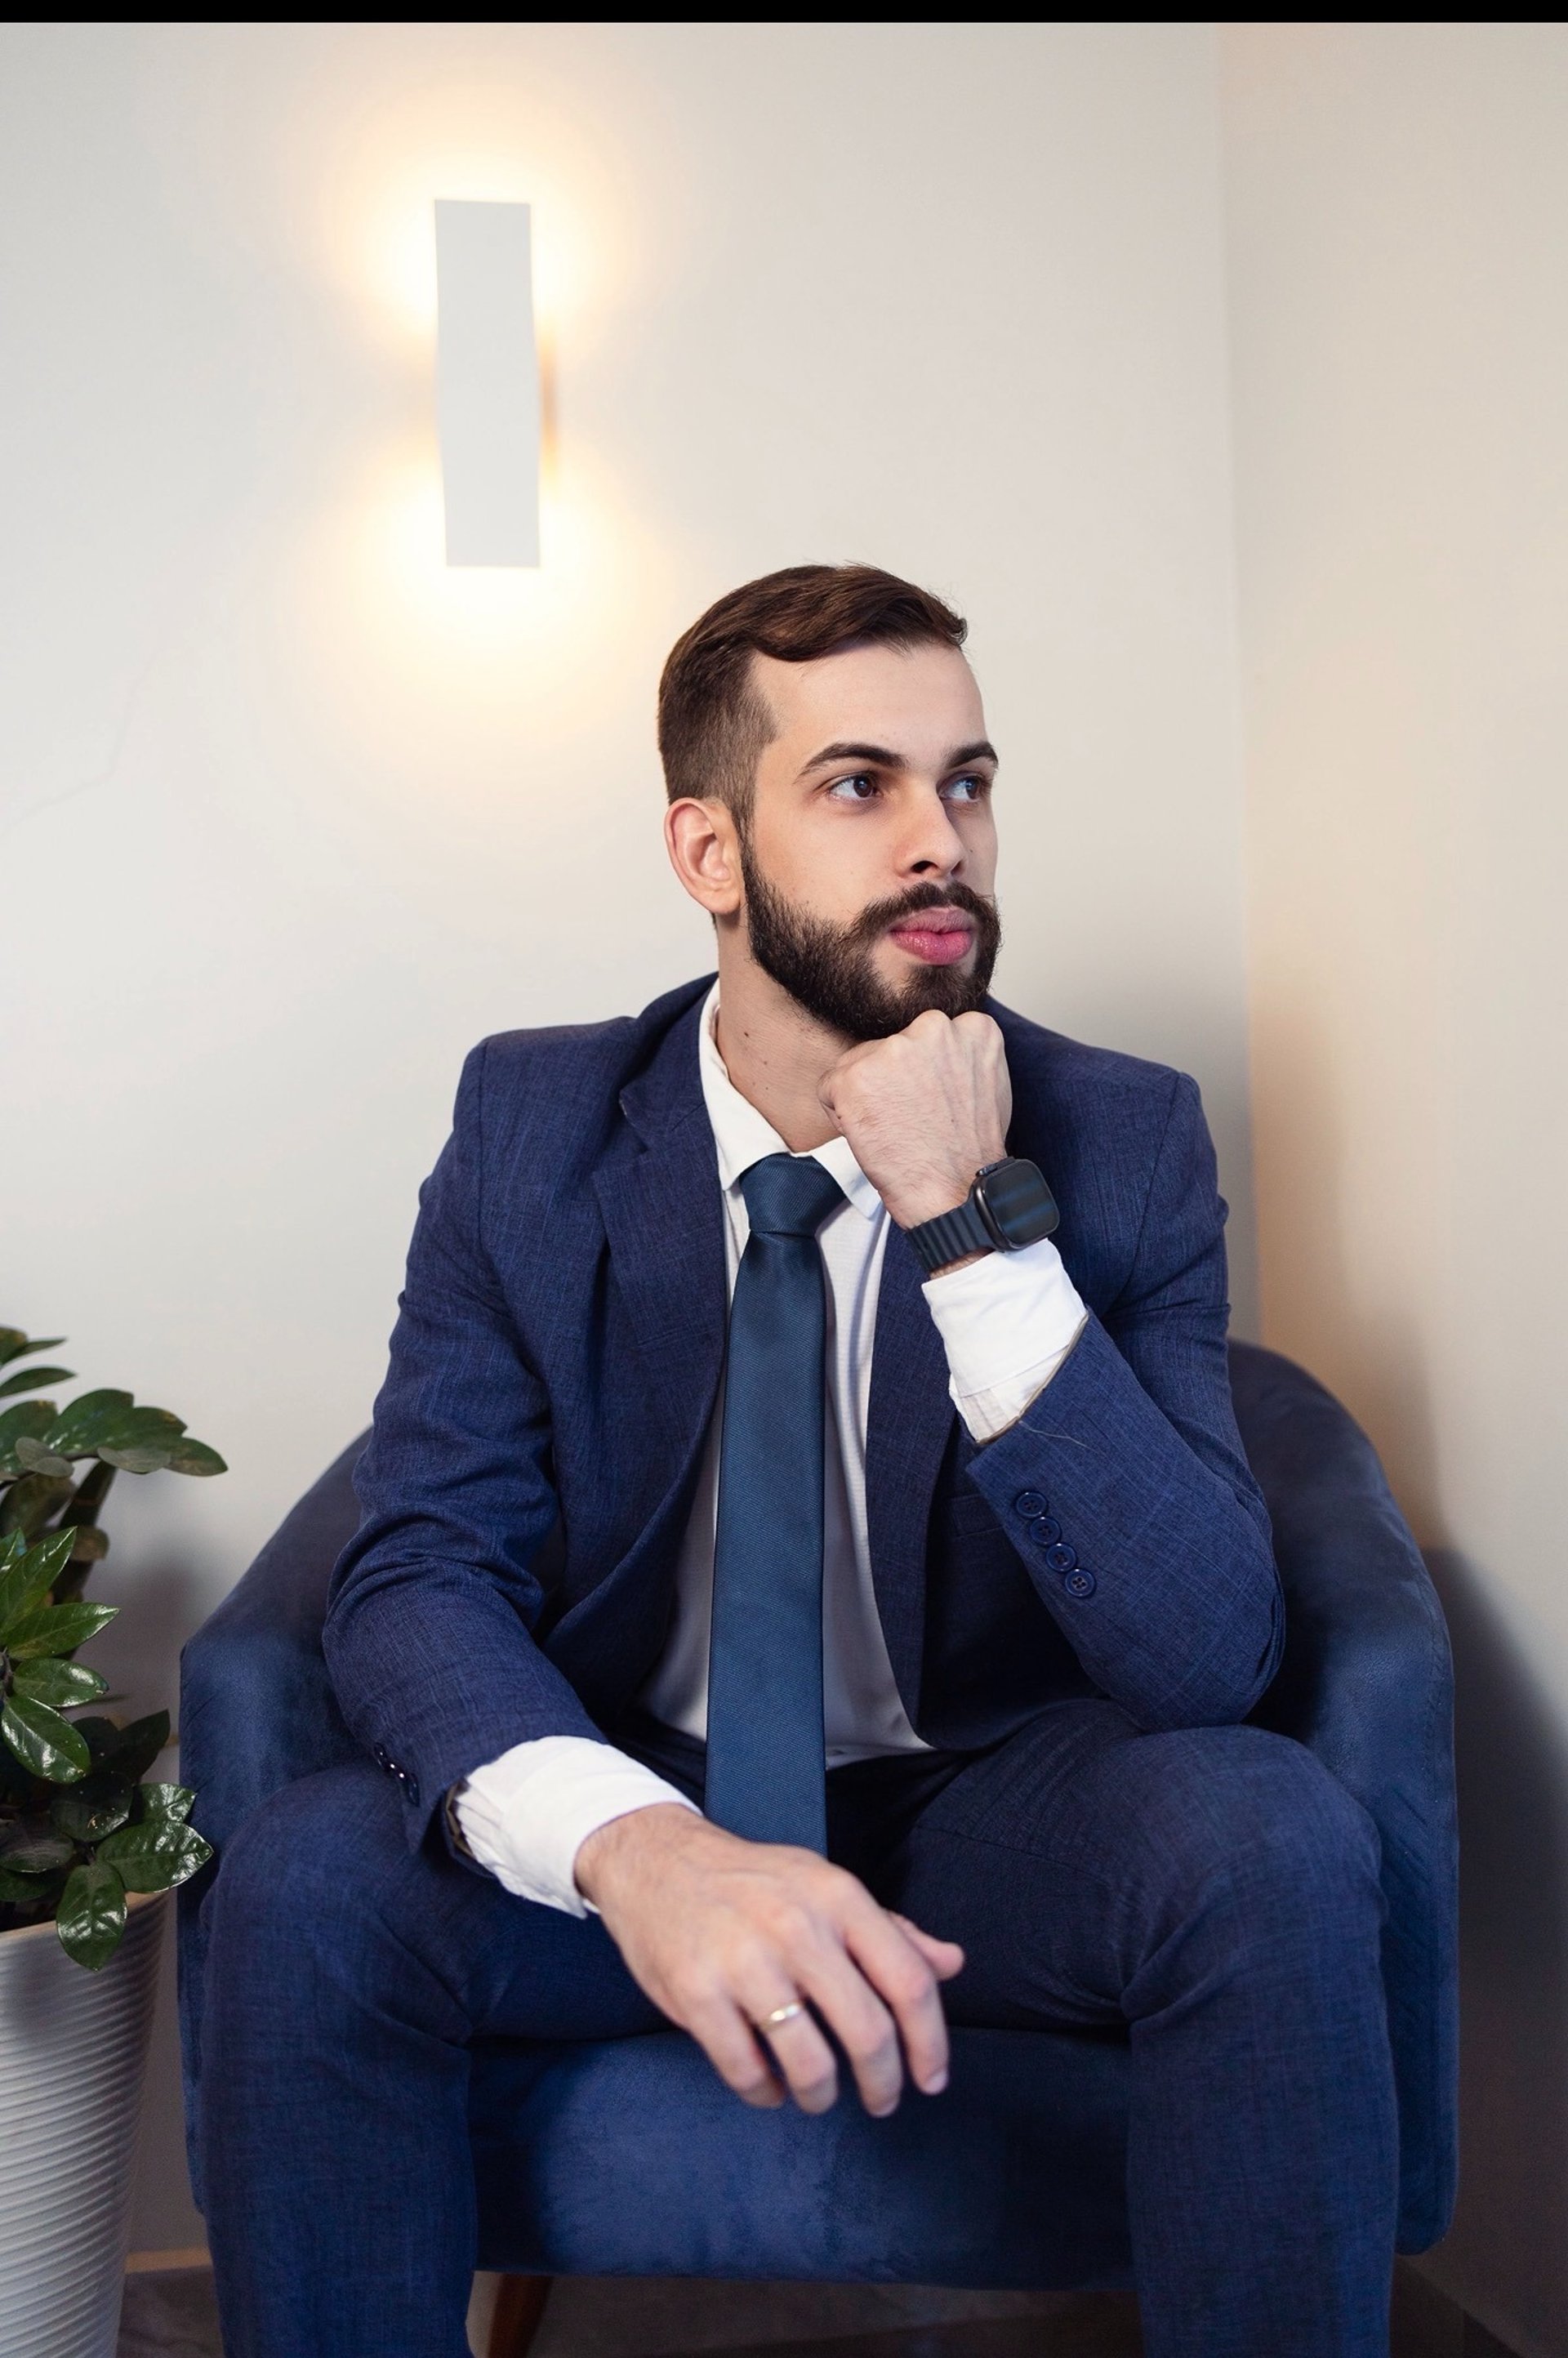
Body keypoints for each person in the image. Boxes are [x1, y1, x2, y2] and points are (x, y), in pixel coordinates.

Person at [198, 564, 1397, 2358]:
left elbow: (1205, 1652)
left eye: (968, 781)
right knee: (309, 1875)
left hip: (985, 1803)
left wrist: (968, 1226)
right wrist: (640, 1848)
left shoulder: (1118, 1132)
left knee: (1270, 1829)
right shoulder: (532, 1124)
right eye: (862, 784)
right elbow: (420, 1562)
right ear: (709, 851)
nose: (943, 841)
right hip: (645, 1784)